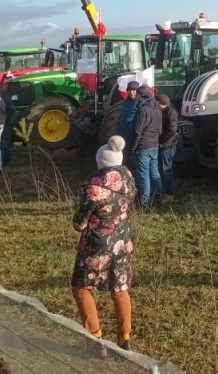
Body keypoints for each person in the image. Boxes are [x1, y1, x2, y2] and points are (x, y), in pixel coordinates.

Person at [71, 136, 138, 351]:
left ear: (100, 162)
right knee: (120, 288)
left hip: (96, 247)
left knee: (81, 287)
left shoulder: (94, 189)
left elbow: (79, 224)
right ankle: (124, 336)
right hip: (123, 242)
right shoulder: (129, 181)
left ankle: (94, 336)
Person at [130, 85, 162, 209]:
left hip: (143, 146)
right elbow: (159, 129)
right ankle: (158, 198)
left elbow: (138, 131)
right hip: (154, 145)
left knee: (144, 175)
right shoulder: (158, 108)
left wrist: (134, 147)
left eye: (138, 95)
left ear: (141, 95)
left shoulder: (143, 110)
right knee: (155, 173)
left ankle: (144, 204)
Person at [157, 94, 179, 204]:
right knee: (162, 168)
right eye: (160, 103)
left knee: (166, 169)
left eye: (163, 104)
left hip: (167, 145)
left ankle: (169, 194)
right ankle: (162, 191)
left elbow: (171, 130)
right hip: (163, 144)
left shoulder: (171, 113)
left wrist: (160, 140)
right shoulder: (161, 111)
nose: (161, 106)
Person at [116, 80, 140, 157]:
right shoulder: (125, 102)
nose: (131, 92)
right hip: (122, 136)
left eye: (134, 90)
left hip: (133, 137)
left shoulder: (140, 103)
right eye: (129, 90)